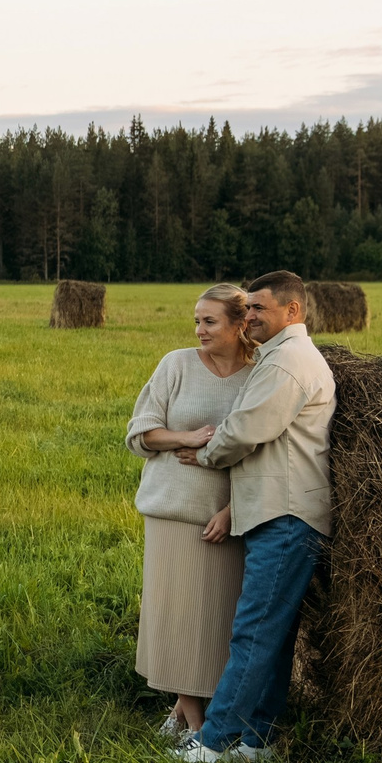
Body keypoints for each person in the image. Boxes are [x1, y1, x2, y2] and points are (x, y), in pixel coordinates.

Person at [162, 270, 336, 763]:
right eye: (249, 307)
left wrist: (208, 452)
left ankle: (211, 743)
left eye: (259, 308)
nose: (250, 315)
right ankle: (258, 741)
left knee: (254, 630)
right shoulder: (283, 357)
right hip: (277, 511)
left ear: (292, 312)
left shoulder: (288, 362)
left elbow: (245, 429)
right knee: (273, 635)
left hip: (286, 514)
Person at [125, 285, 254, 737]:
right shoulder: (175, 364)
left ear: (240, 325)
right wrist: (188, 438)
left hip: (227, 518)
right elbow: (141, 433)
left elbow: (270, 452)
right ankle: (194, 721)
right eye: (196, 321)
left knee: (217, 621)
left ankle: (189, 715)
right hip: (170, 511)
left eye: (210, 321)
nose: (199, 329)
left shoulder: (259, 375)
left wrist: (235, 509)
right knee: (175, 616)